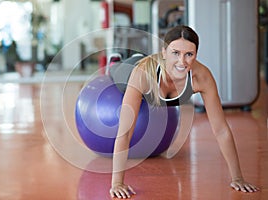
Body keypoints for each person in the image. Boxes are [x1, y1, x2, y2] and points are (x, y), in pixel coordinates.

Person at [109, 25, 259, 199]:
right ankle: (115, 61)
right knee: (117, 70)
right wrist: (117, 183)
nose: (182, 61)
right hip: (130, 70)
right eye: (175, 53)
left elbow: (221, 130)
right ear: (164, 52)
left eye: (189, 54)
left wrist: (238, 178)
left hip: (154, 65)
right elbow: (125, 132)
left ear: (196, 54)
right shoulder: (142, 75)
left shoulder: (201, 77)